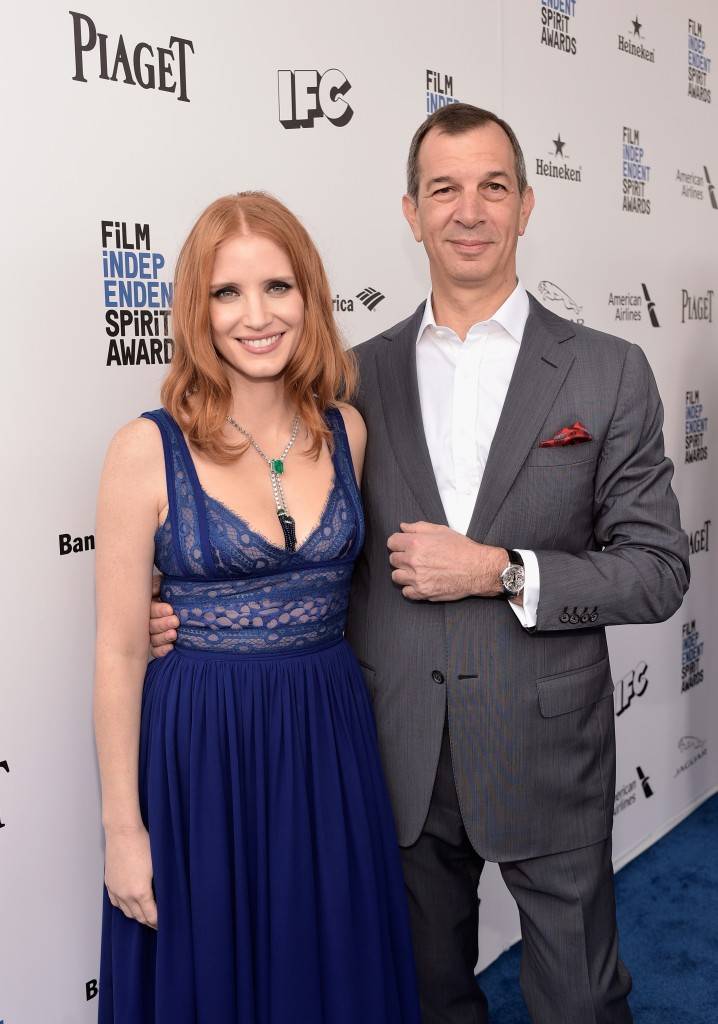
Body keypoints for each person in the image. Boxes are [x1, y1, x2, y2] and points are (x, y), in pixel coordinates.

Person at [150, 106, 690, 1024]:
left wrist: (500, 570)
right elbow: (290, 531)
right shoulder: (345, 383)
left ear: (526, 205)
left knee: (582, 1002)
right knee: (425, 1000)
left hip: (547, 747)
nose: (468, 211)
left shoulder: (608, 372)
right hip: (393, 750)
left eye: (492, 187)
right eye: (444, 189)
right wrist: (183, 613)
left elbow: (657, 569)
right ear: (411, 212)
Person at [94, 192, 421, 1023]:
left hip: (328, 739)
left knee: (329, 967)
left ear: (309, 295)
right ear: (196, 310)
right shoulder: (144, 449)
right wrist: (123, 832)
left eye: (277, 286)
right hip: (203, 753)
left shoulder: (346, 432)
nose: (257, 315)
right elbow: (119, 652)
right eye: (226, 293)